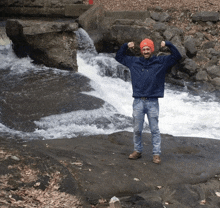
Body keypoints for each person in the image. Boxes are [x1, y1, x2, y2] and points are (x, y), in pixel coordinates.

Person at [115, 38, 182, 164]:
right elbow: (118, 57)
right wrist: (125, 46)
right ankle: (137, 151)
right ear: (141, 51)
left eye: (148, 49)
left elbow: (177, 56)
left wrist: (168, 45)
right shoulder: (133, 61)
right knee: (137, 129)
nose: (146, 51)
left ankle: (156, 154)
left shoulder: (160, 61)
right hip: (138, 101)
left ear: (151, 50)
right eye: (143, 49)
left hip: (152, 101)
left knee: (154, 129)